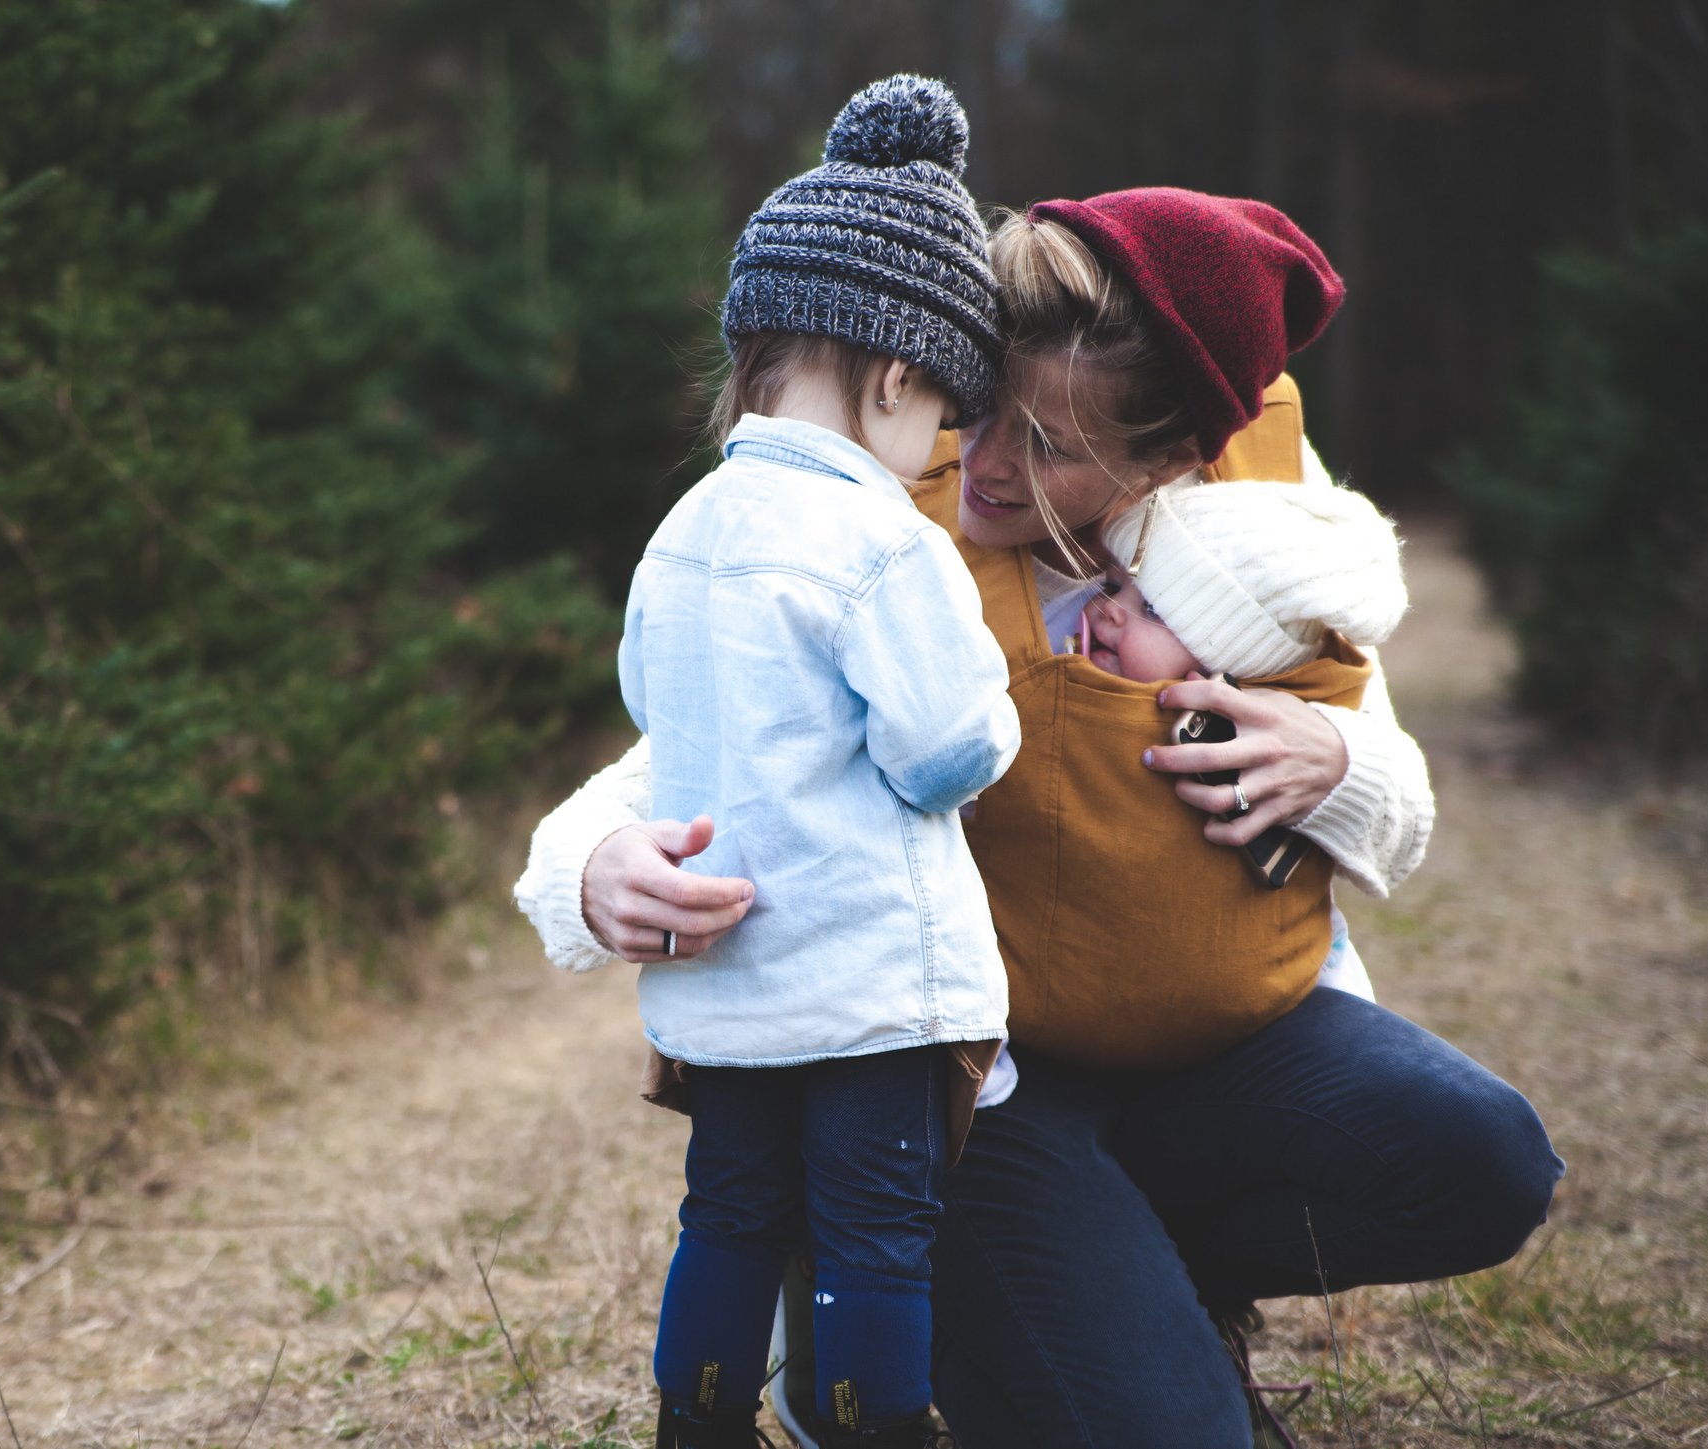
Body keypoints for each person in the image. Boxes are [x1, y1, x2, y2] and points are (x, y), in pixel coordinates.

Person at [515, 187, 1563, 1448]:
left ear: (1174, 458)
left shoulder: (1259, 535)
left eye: (1055, 447)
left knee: (1488, 1160)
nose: (995, 465)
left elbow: (1394, 801)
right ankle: (908, 1293)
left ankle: (1114, 1284)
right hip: (977, 1086)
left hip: (1215, 1052)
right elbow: (701, 739)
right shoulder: (882, 511)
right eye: (986, 409)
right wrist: (589, 867)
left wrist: (1339, 760)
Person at [625, 76, 1019, 1449]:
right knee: (873, 1236)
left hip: (726, 987)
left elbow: (654, 711)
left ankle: (699, 1421)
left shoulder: (682, 530)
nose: (935, 460)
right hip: (867, 983)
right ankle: (874, 1428)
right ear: (898, 376)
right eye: (941, 424)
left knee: (729, 1214)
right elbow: (943, 749)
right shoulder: (882, 540)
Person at [961, 475, 1407, 1073]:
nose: (1105, 612)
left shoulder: (1271, 714)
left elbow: (1396, 838)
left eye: (1151, 609)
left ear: (1230, 665)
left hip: (1271, 1016)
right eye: (1114, 585)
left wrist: (1343, 765)